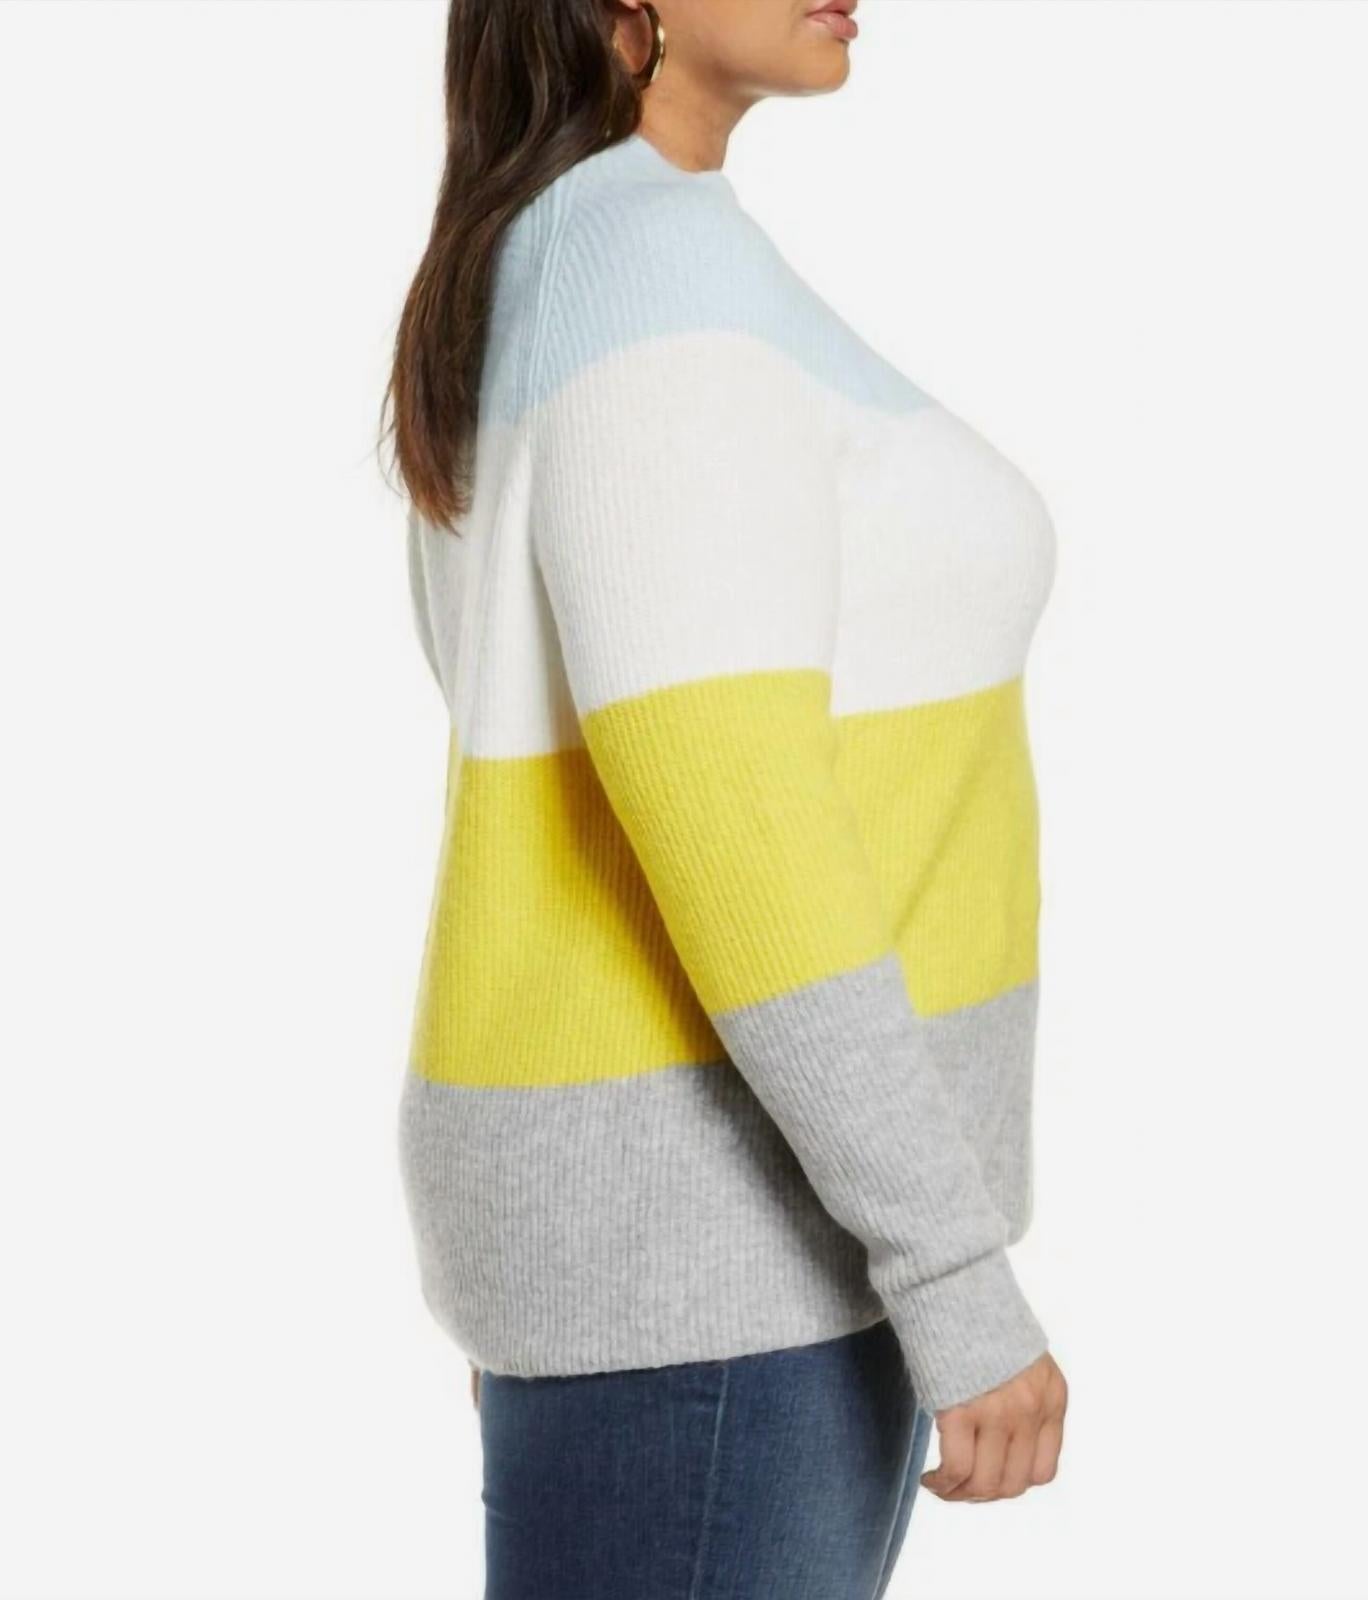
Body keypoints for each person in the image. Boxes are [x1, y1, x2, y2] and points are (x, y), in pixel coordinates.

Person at [386, 2, 1069, 1594]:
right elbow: (734, 826)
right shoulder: (648, 278)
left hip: (718, 1268)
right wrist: (952, 1271)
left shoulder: (576, 254)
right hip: (718, 1265)